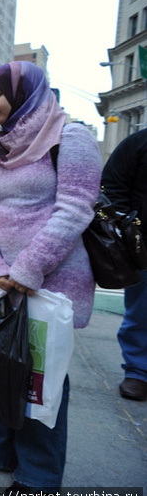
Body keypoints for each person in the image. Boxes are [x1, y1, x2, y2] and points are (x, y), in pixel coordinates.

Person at [0, 61, 100, 495]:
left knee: (42, 373)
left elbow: (76, 208)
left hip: (51, 278)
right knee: (1, 357)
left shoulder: (70, 138)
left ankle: (38, 474)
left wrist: (28, 268)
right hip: (4, 281)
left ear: (23, 95)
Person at [101, 128, 147, 401]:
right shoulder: (138, 143)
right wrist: (127, 225)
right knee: (141, 312)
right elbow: (112, 185)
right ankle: (139, 372)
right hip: (145, 246)